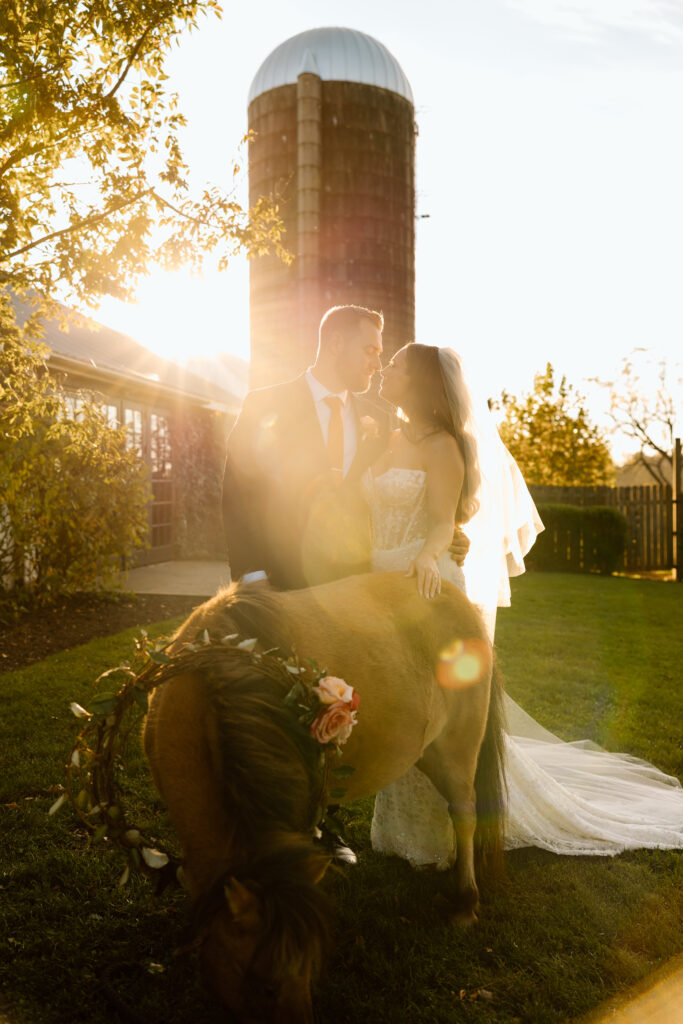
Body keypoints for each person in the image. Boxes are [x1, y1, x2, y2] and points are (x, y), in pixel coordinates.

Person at [368, 342, 683, 865]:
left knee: (437, 705)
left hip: (424, 583)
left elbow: (445, 521)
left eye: (396, 364)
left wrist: (427, 556)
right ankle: (399, 828)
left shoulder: (442, 445)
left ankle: (442, 837)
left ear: (419, 382)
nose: (385, 369)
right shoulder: (387, 438)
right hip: (380, 579)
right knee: (403, 699)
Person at [222, 305, 468, 591]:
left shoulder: (382, 421)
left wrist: (450, 535)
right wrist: (252, 576)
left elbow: (413, 487)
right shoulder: (264, 404)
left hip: (358, 590)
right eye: (370, 351)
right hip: (279, 586)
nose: (377, 365)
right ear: (336, 344)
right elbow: (237, 497)